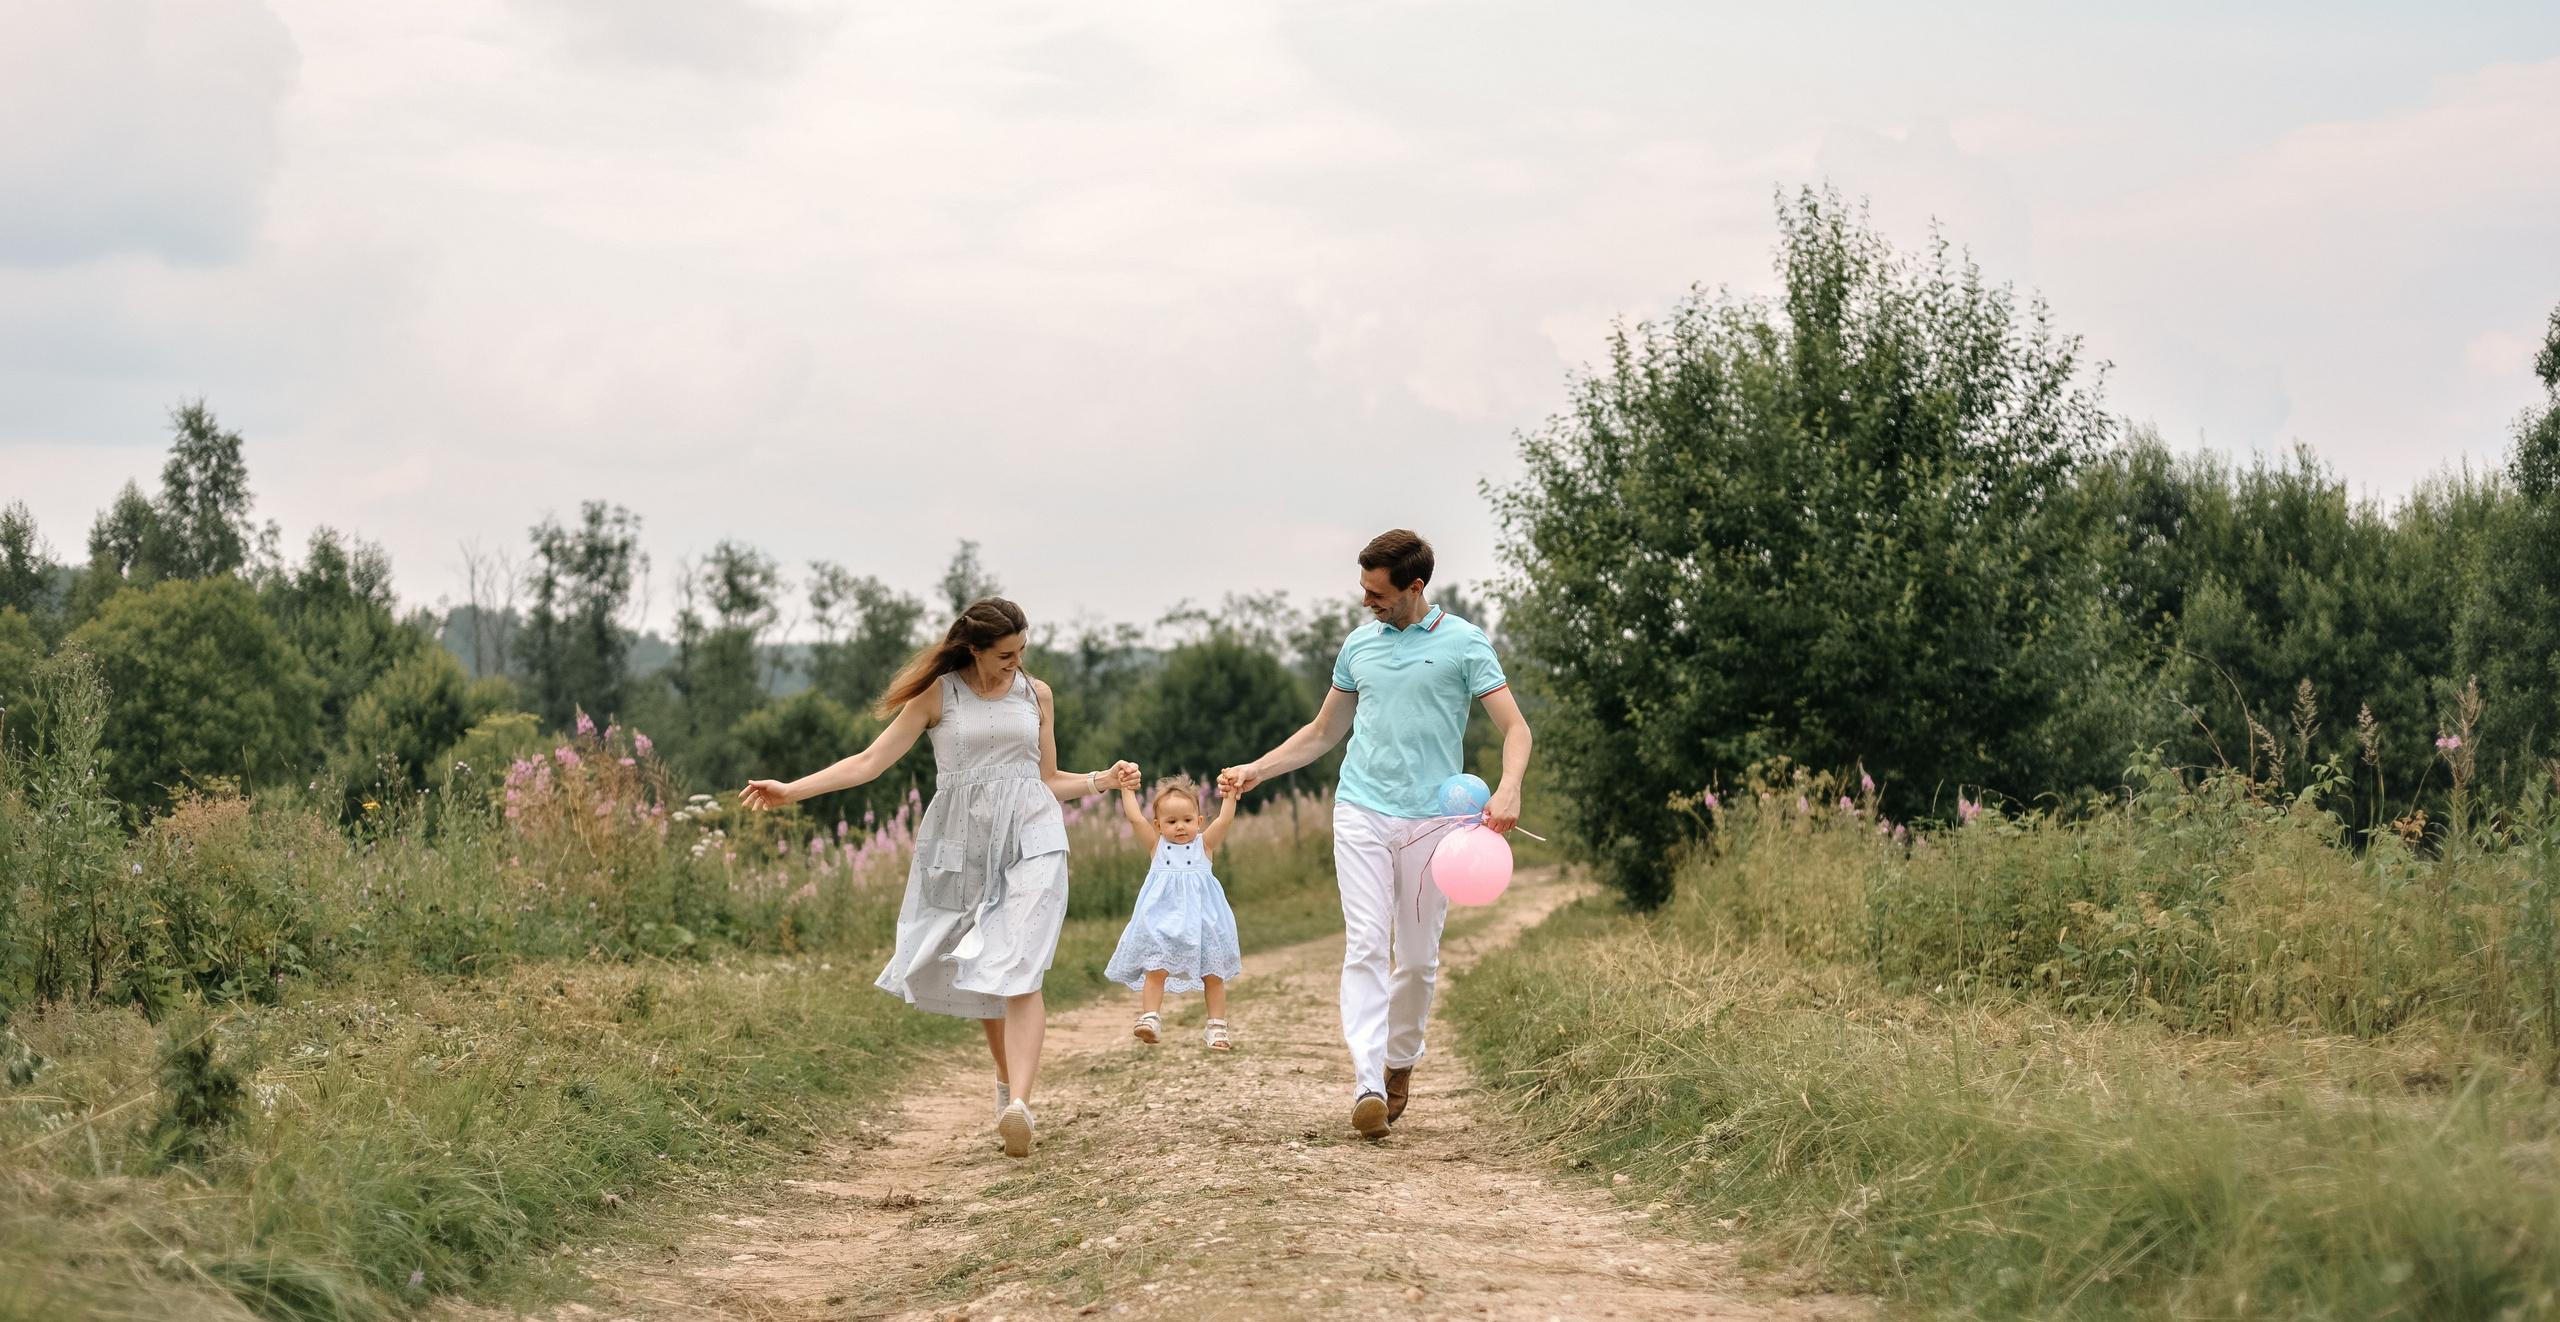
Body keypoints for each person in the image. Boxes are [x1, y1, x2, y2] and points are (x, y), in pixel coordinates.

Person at [741, 597, 1138, 1159]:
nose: (1016, 663)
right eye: (1005, 654)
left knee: (1022, 959)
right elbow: (867, 763)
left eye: (1023, 651)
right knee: (982, 966)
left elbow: (1047, 778)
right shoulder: (939, 694)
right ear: (973, 649)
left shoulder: (1037, 694)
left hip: (1034, 838)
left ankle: (1020, 1105)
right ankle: (1007, 1089)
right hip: (964, 847)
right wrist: (792, 789)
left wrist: (1103, 779)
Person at [1220, 529, 1532, 1140]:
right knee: (1365, 943)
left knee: (1415, 960)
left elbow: (1516, 729)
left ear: (1415, 587)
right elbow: (1320, 733)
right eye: (1363, 589)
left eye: (1378, 592)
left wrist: (1509, 787)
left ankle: (1398, 1061)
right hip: (1361, 809)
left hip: (1433, 824)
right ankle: (1366, 1081)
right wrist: (1257, 769)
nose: (1368, 602)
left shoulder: (1465, 644)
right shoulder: (1359, 646)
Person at [1102, 778, 1244, 1051]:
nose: (1180, 826)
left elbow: (1224, 821)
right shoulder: (1157, 848)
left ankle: (1216, 1027)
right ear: (1158, 825)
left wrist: (1230, 794)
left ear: (1199, 821)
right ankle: (1150, 1017)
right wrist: (1126, 789)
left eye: (1187, 820)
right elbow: (1134, 819)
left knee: (1213, 975)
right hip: (1162, 921)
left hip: (1203, 922)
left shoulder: (1205, 846)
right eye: (1171, 822)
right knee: (1156, 968)